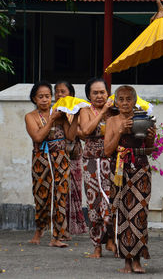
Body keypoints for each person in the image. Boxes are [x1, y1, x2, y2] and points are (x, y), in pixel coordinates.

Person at [104, 85, 156, 274]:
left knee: (139, 213)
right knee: (122, 214)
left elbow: (151, 148)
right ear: (116, 102)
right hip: (119, 170)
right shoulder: (111, 121)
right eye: (121, 99)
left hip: (140, 169)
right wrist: (120, 131)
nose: (125, 103)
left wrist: (151, 137)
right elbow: (107, 150)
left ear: (135, 101)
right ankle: (126, 261)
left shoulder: (143, 119)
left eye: (129, 99)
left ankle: (137, 260)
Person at [25, 81, 79, 247]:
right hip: (41, 161)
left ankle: (58, 236)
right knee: (41, 196)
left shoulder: (60, 113)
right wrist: (51, 120)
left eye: (47, 96)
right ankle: (39, 230)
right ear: (34, 98)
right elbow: (38, 137)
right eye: (40, 96)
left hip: (61, 159)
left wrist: (75, 116)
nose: (44, 100)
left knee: (60, 195)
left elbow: (70, 136)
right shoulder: (30, 116)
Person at [79, 77, 116, 258]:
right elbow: (86, 131)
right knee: (94, 204)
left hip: (112, 161)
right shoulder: (85, 111)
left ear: (108, 93)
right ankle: (97, 246)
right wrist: (102, 113)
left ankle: (111, 239)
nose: (100, 96)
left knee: (111, 201)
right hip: (91, 162)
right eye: (95, 93)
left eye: (102, 92)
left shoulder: (115, 111)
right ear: (89, 96)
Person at [54, 81, 88, 237]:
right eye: (57, 92)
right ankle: (62, 226)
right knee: (60, 193)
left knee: (74, 192)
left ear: (71, 94)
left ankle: (75, 225)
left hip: (74, 156)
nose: (60, 95)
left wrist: (72, 119)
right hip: (57, 157)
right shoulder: (54, 111)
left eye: (63, 91)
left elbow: (82, 133)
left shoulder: (78, 110)